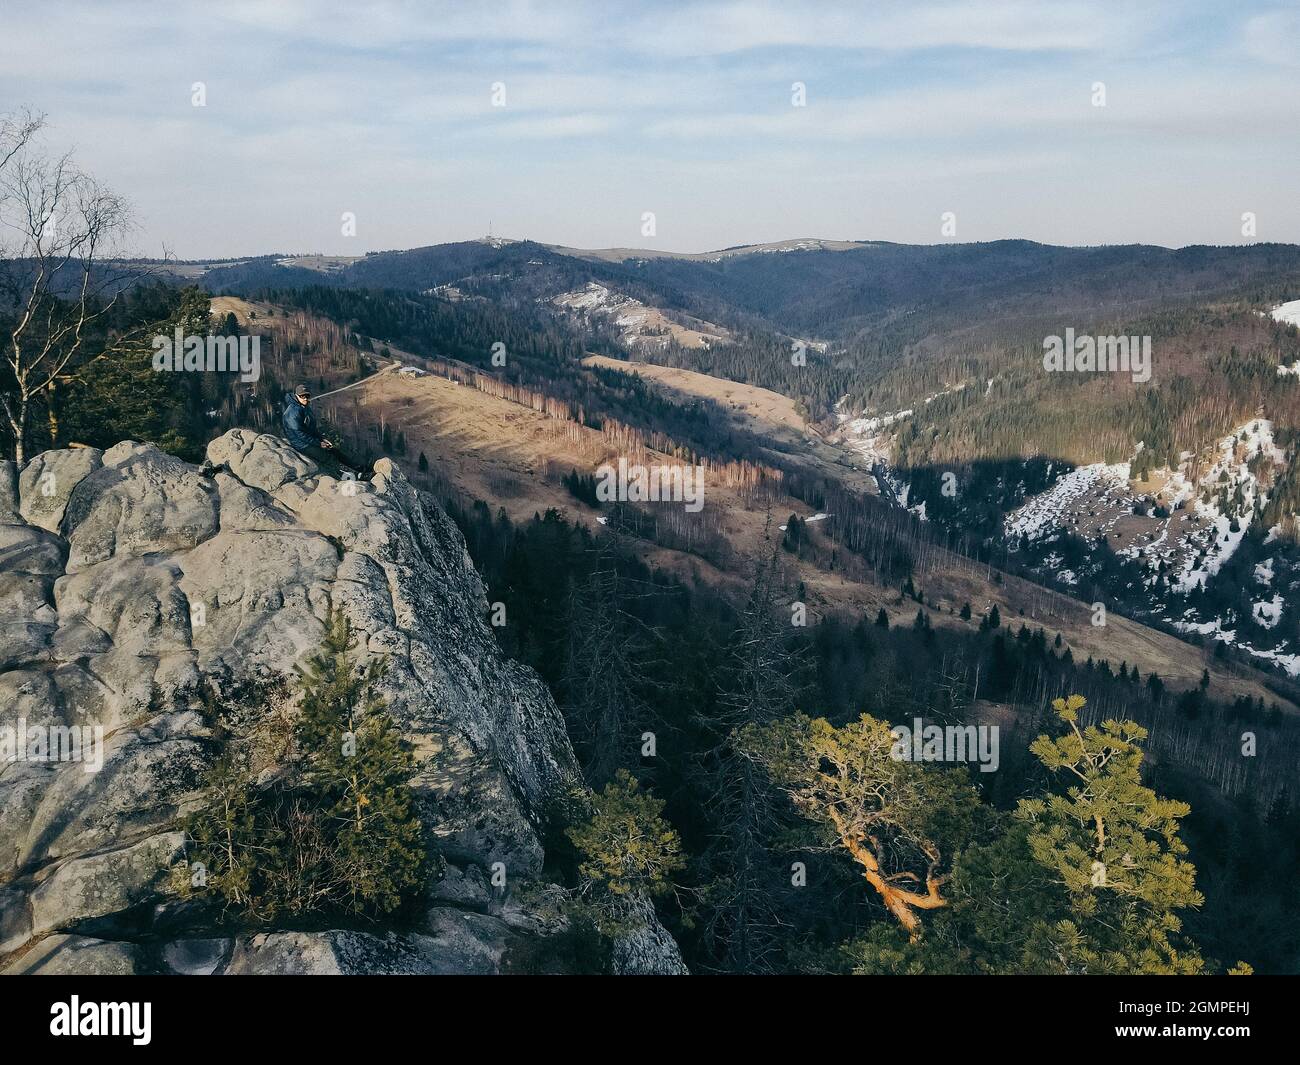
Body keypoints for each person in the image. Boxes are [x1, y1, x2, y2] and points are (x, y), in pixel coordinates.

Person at [281, 384, 366, 479]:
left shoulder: (304, 407)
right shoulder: (292, 412)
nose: (305, 398)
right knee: (328, 458)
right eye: (302, 396)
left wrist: (322, 439)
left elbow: (311, 429)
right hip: (302, 444)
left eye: (307, 396)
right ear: (296, 396)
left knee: (335, 451)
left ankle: (361, 469)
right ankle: (352, 478)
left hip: (310, 440)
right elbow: (300, 434)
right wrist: (318, 443)